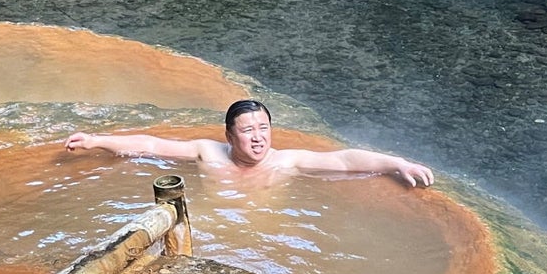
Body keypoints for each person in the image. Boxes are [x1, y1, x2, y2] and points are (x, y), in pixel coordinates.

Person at [64, 99, 435, 187]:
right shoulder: (207, 152)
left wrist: (396, 163)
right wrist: (96, 141)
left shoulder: (286, 161)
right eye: (247, 130)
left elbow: (342, 161)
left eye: (263, 128)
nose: (258, 138)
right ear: (229, 135)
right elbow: (151, 146)